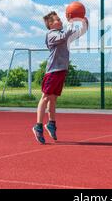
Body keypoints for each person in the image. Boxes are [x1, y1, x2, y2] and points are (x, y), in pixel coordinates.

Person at [32, 11, 88, 144]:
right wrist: (71, 23)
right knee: (45, 97)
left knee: (53, 99)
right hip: (52, 71)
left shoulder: (64, 34)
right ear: (51, 24)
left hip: (61, 71)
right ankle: (38, 126)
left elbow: (79, 32)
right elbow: (63, 36)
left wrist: (84, 22)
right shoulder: (51, 35)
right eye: (58, 20)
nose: (61, 21)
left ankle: (51, 123)